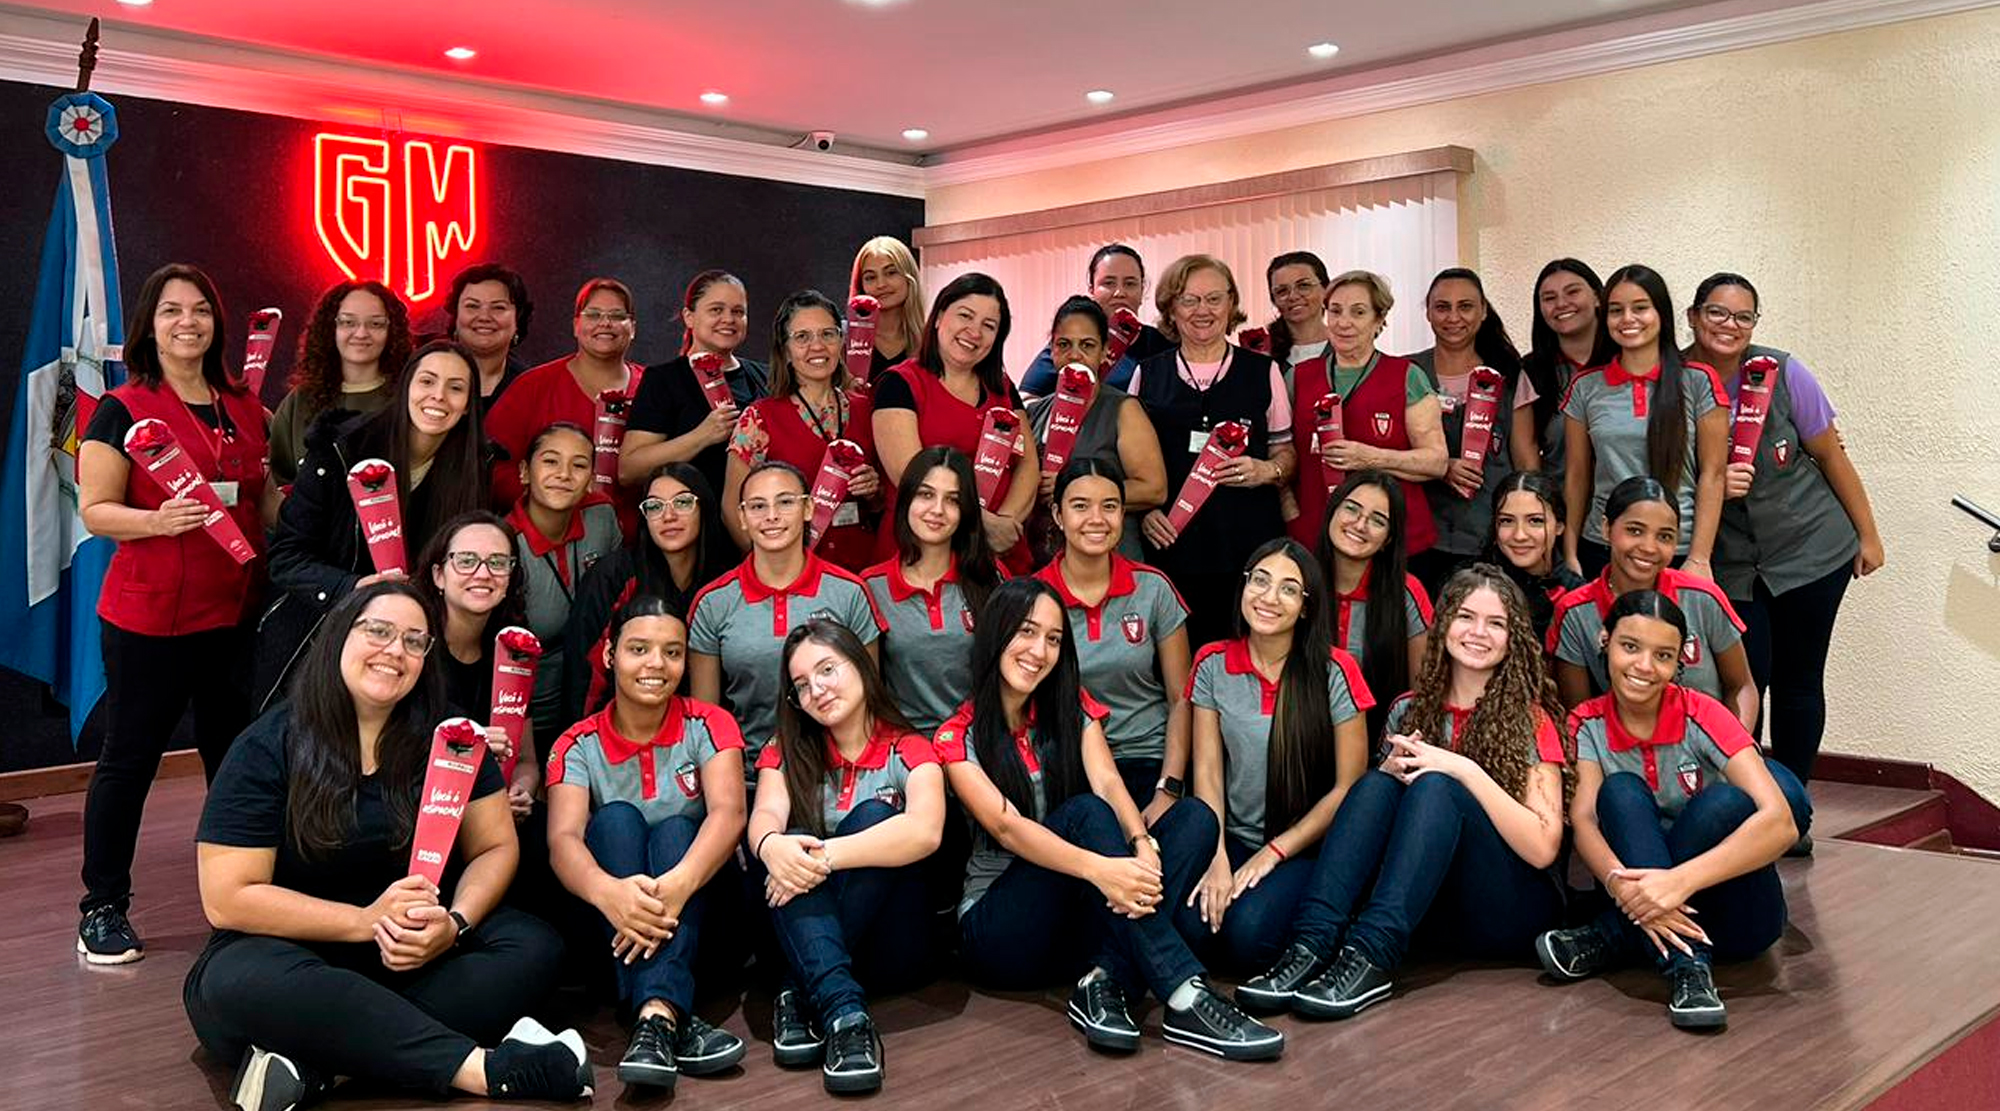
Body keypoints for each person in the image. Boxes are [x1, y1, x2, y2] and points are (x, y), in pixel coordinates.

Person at [184, 582, 589, 1107]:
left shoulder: (452, 737)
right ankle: (489, 1070)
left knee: (532, 946)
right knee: (234, 983)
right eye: (377, 631)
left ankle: (314, 1063)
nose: (394, 650)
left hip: (410, 953)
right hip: (287, 951)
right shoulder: (267, 745)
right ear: (337, 638)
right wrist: (365, 920)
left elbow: (494, 846)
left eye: (415, 641)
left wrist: (456, 923)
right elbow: (227, 898)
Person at [937, 578, 1284, 1061]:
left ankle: (1102, 981)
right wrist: (1102, 870)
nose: (1039, 650)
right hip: (1000, 933)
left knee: (1197, 819)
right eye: (1026, 632)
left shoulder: (1070, 708)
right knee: (1084, 814)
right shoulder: (957, 736)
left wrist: (1140, 843)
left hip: (1075, 924)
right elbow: (1007, 827)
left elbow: (1108, 782)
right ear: (997, 633)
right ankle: (1186, 995)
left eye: (1054, 639)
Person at [1234, 565, 1568, 1019]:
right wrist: (1393, 774)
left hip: (1508, 908)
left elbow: (1544, 848)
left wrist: (1463, 769)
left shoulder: (1532, 719)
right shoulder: (1407, 710)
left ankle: (1371, 957)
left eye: (1496, 623)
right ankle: (1311, 945)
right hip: (1432, 909)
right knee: (1376, 783)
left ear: (1514, 639)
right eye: (1466, 617)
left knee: (1437, 785)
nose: (1478, 632)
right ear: (1445, 622)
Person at [75, 263, 270, 964]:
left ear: (217, 324)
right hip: (148, 620)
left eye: (200, 310)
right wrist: (156, 522)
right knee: (128, 761)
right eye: (170, 311)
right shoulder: (120, 406)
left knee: (236, 762)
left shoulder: (246, 406)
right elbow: (95, 510)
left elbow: (262, 500)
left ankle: (245, 899)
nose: (187, 322)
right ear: (149, 326)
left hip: (233, 617)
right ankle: (101, 906)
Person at [1536, 590, 1811, 1030]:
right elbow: (1584, 820)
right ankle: (1689, 970)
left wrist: (1677, 882)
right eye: (1630, 647)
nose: (1645, 667)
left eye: (1662, 655)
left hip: (1739, 913)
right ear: (1604, 640)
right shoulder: (1586, 723)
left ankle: (1612, 933)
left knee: (1725, 802)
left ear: (1678, 661)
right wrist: (1619, 886)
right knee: (1620, 792)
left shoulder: (1704, 712)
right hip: (1651, 904)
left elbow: (1780, 821)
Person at [1685, 271, 1885, 784]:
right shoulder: (1674, 379)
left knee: (1799, 680)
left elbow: (1830, 456)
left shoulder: (1783, 372)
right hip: (1727, 562)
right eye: (1716, 312)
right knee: (1745, 680)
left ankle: (1793, 806)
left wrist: (1869, 534)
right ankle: (1748, 802)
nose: (1729, 325)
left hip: (1810, 550)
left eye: (1742, 316)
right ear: (1692, 317)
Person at [545, 595, 749, 1089]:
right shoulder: (576, 743)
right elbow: (563, 840)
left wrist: (679, 883)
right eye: (639, 649)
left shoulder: (710, 723)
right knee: (614, 821)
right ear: (611, 654)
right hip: (614, 929)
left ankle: (651, 1014)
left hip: (703, 925)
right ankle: (664, 1014)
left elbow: (730, 813)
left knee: (681, 830)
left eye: (672, 652)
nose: (656, 665)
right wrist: (608, 893)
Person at [747, 620, 945, 1093]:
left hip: (890, 944)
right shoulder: (785, 749)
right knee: (785, 841)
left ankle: (799, 989)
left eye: (827, 670)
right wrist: (771, 846)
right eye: (801, 685)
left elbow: (925, 831)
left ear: (860, 663)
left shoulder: (910, 746)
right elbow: (765, 814)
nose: (816, 690)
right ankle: (845, 1016)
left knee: (875, 816)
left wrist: (822, 857)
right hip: (812, 937)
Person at [1174, 540, 1373, 979]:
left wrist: (1274, 852)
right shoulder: (1211, 662)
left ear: (1305, 607)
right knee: (1192, 928)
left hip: (1304, 846)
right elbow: (1208, 770)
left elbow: (1349, 789)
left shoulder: (1334, 670)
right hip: (1235, 837)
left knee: (1246, 939)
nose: (1268, 597)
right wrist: (1217, 854)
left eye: (1288, 589)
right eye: (1260, 581)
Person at [261, 340, 486, 708]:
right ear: (405, 388)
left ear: (467, 407)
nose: (439, 396)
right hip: (318, 641)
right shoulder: (339, 448)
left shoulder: (477, 467)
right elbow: (286, 557)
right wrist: (353, 587)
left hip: (409, 652)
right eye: (427, 382)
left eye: (456, 388)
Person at [1131, 253, 1296, 649]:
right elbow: (1129, 465)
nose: (1202, 311)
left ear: (1231, 304)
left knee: (1247, 654)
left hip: (1247, 545)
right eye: (1189, 300)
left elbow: (1287, 454)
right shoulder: (1147, 375)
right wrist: (1146, 510)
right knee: (1178, 663)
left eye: (1214, 299)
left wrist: (1266, 471)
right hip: (1171, 547)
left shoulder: (1263, 371)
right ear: (1171, 308)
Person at [689, 462, 884, 769]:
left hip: (837, 772)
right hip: (748, 776)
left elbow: (869, 701)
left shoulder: (849, 592)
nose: (771, 516)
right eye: (757, 506)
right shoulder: (714, 602)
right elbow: (705, 720)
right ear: (741, 517)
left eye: (785, 501)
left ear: (808, 508)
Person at [1034, 458, 1191, 818]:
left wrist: (1169, 788)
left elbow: (1180, 697)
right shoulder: (1034, 596)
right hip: (1068, 763)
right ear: (1058, 516)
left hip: (1147, 759)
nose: (1096, 519)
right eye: (1080, 506)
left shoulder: (1153, 589)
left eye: (1109, 507)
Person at [1561, 264, 1727, 581]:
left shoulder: (1698, 381)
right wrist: (1570, 551)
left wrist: (1700, 558)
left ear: (1660, 314)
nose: (1627, 320)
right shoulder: (1586, 387)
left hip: (1677, 549)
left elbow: (1714, 474)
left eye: (1640, 308)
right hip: (1602, 545)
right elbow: (1577, 475)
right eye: (1616, 310)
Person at [1550, 476, 1756, 730]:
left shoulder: (1702, 597)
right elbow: (1578, 714)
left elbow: (1741, 686)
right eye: (1634, 530)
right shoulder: (1575, 612)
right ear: (1606, 528)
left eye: (1665, 536)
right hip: (1624, 755)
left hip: (1710, 750)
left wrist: (1735, 749)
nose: (1649, 547)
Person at [871, 272, 1040, 571]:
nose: (974, 332)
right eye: (965, 316)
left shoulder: (1002, 387)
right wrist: (984, 526)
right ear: (938, 317)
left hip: (999, 556)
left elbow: (1027, 464)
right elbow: (912, 477)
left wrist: (1005, 524)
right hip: (918, 555)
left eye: (989, 326)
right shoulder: (899, 384)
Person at [1290, 269, 1447, 554]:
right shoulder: (1298, 378)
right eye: (1335, 311)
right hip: (1316, 535)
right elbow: (1283, 453)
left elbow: (1436, 461)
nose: (1343, 323)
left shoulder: (1406, 377)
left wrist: (1369, 457)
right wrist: (1289, 509)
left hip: (1392, 540)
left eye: (1358, 312)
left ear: (1379, 320)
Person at [723, 290, 883, 571]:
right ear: (785, 349)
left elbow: (889, 500)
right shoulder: (760, 418)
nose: (817, 346)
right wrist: (769, 571)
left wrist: (874, 489)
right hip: (794, 577)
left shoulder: (866, 408)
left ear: (842, 340)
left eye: (827, 334)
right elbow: (731, 510)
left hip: (864, 570)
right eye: (802, 337)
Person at [565, 463, 735, 726]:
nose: (668, 516)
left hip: (706, 736)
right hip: (618, 732)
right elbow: (584, 677)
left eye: (682, 503)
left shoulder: (727, 581)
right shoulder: (615, 575)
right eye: (654, 507)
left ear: (705, 508)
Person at [859, 447, 1002, 736]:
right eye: (925, 495)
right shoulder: (870, 587)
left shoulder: (990, 576)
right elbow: (868, 695)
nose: (937, 510)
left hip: (979, 742)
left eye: (952, 500)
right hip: (905, 750)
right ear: (906, 500)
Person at [1405, 268, 1529, 593]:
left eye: (1466, 306)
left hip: (1488, 540)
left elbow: (1527, 464)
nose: (1453, 317)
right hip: (1417, 540)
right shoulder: (1405, 373)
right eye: (1442, 307)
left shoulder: (1512, 376)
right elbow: (1391, 454)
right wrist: (1438, 467)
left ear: (1484, 311)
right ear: (1428, 313)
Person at [1022, 296, 1168, 563]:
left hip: (1112, 560)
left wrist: (1075, 486)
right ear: (1052, 351)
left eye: (1087, 345)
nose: (1074, 354)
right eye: (1063, 344)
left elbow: (1154, 489)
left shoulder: (1123, 410)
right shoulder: (1034, 413)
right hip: (1043, 562)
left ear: (1104, 352)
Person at [484, 278, 644, 520]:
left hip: (640, 541)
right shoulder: (533, 386)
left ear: (632, 327)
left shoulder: (655, 388)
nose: (605, 323)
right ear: (576, 325)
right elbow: (492, 465)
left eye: (617, 315)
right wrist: (548, 504)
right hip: (547, 536)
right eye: (593, 314)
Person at [413, 511, 538, 822]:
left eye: (497, 562)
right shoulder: (412, 645)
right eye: (466, 560)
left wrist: (520, 790)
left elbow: (525, 760)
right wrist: (468, 741)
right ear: (438, 575)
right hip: (418, 810)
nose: (483, 574)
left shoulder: (513, 651)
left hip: (491, 816)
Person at [505, 423, 622, 739]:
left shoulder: (601, 517)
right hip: (529, 708)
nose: (564, 474)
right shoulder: (504, 544)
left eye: (579, 465)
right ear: (524, 472)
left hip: (597, 699)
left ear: (590, 480)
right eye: (551, 461)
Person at [622, 269, 769, 496]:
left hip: (762, 521)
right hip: (692, 523)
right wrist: (702, 435)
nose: (729, 319)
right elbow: (629, 470)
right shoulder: (664, 380)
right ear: (688, 317)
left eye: (738, 311)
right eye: (716, 310)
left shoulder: (766, 376)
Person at [268, 280, 411, 497]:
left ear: (392, 331)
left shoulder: (409, 398)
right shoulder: (300, 401)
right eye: (348, 322)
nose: (361, 333)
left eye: (376, 324)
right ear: (330, 328)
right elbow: (276, 486)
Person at [1318, 471, 1433, 742]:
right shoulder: (1299, 579)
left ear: (1388, 540)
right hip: (1300, 743)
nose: (1360, 524)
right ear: (1332, 511)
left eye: (1377, 521)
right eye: (1351, 509)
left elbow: (1423, 689)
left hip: (1381, 744)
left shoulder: (1406, 591)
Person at [1020, 244, 1175, 398]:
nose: (1119, 292)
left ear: (1142, 290)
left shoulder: (1163, 346)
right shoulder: (1073, 340)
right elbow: (1026, 400)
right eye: (1108, 283)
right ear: (1092, 290)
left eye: (1130, 283)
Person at [1519, 259, 1614, 476]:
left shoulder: (1628, 360)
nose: (1561, 304)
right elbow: (1527, 455)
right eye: (1549, 298)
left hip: (1628, 504)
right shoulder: (1530, 372)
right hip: (1558, 501)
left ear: (1598, 297)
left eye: (1572, 292)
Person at [1483, 470, 1585, 643]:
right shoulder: (1471, 585)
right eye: (1507, 521)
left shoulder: (1578, 596)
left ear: (1559, 526)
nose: (1520, 535)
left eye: (1535, 521)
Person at [446, 262, 534, 404]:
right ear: (455, 315)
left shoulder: (533, 389)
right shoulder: (424, 373)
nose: (484, 317)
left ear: (518, 319)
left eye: (498, 307)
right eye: (473, 306)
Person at [848, 237, 926, 383]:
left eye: (891, 273)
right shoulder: (842, 342)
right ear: (861, 286)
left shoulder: (932, 341)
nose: (881, 284)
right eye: (870, 277)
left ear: (909, 277)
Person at [1262, 251, 1331, 380]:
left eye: (1303, 286)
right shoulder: (1262, 355)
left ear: (1326, 289)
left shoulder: (1347, 346)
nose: (1293, 296)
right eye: (1282, 291)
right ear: (1274, 299)